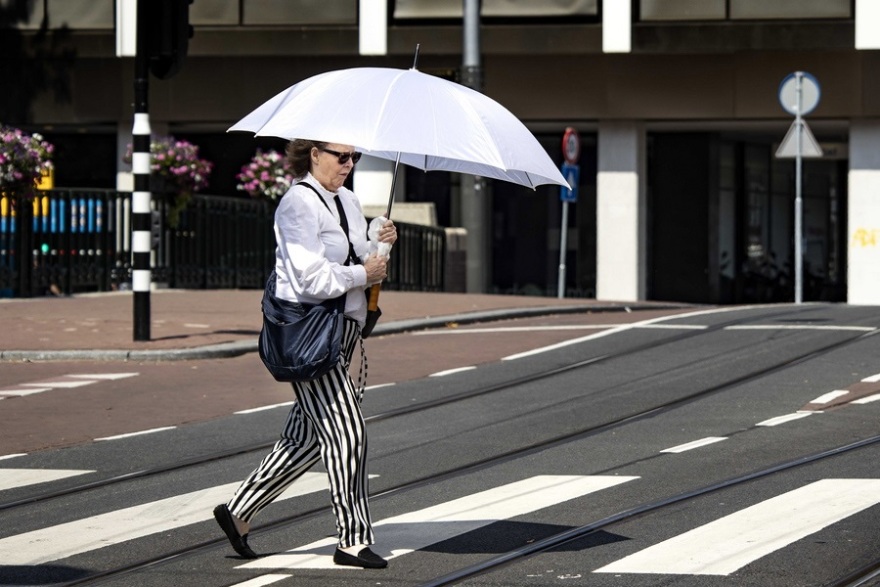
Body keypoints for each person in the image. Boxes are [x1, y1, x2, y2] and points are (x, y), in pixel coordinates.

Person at [213, 139, 397, 569]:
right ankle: (351, 540)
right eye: (341, 156)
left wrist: (380, 240)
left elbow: (359, 260)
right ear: (314, 154)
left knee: (305, 438)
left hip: (342, 331)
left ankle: (239, 511)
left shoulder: (348, 200)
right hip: (309, 336)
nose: (349, 164)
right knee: (347, 432)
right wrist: (361, 272)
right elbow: (310, 278)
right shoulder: (297, 203)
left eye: (355, 157)